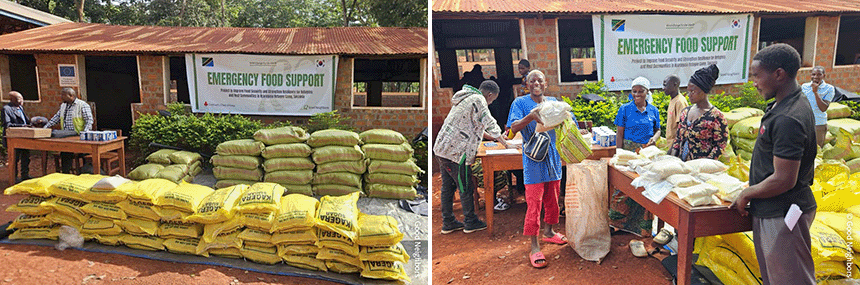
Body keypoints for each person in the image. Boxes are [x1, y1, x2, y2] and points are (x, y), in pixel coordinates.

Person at [729, 44, 817, 285]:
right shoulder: (783, 104)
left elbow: (784, 179)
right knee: (776, 278)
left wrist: (747, 192)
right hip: (774, 209)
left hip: (783, 211)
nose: (754, 82)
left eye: (757, 75)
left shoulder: (789, 117)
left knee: (790, 280)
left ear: (779, 74)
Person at [507, 69, 568, 269]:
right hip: (533, 160)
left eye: (539, 80)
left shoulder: (552, 101)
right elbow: (512, 128)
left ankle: (549, 232)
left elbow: (566, 120)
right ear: (527, 84)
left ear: (545, 83)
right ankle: (534, 246)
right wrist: (531, 117)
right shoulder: (520, 103)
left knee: (553, 198)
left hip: (553, 157)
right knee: (534, 203)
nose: (536, 84)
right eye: (532, 81)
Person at [434, 80, 509, 235]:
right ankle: (470, 221)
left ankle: (448, 222)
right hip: (456, 152)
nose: (490, 103)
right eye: (492, 100)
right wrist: (505, 143)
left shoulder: (466, 99)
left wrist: (496, 138)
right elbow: (488, 121)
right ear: (489, 95)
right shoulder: (478, 100)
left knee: (448, 187)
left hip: (443, 149)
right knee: (465, 187)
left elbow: (478, 126)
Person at [669, 64, 729, 161]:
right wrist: (672, 160)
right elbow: (678, 139)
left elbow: (719, 146)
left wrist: (704, 165)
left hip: (701, 170)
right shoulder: (685, 112)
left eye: (693, 91)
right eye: (688, 91)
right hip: (681, 166)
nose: (689, 95)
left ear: (703, 91)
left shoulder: (716, 117)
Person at [499, 59, 532, 212]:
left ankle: (522, 188)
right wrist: (508, 135)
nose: (520, 70)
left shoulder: (533, 103)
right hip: (521, 146)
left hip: (533, 150)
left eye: (522, 67)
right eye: (519, 68)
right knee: (517, 165)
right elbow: (512, 129)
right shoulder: (518, 104)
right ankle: (521, 188)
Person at [44, 87, 94, 173]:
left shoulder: (82, 105)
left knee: (55, 134)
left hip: (77, 134)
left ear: (71, 95)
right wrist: (45, 127)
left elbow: (89, 120)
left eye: (63, 95)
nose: (61, 97)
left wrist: (85, 133)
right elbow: (56, 118)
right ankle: (66, 174)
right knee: (65, 153)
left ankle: (83, 174)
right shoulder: (63, 105)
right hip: (66, 136)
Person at [615, 77, 661, 151]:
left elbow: (658, 130)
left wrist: (654, 139)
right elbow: (619, 134)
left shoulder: (653, 110)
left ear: (647, 91)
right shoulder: (624, 109)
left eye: (641, 91)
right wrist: (619, 152)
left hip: (647, 150)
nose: (637, 94)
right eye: (634, 91)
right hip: (628, 153)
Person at [800, 66, 834, 146]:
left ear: (824, 76)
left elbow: (823, 108)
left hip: (819, 123)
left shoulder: (829, 88)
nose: (815, 77)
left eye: (819, 74)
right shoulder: (804, 86)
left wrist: (815, 92)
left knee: (817, 149)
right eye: (813, 74)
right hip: (805, 122)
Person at [2, 91, 31, 181]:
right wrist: (22, 126)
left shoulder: (20, 107)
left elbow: (25, 121)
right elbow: (8, 125)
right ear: (11, 100)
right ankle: (14, 177)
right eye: (19, 99)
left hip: (24, 136)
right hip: (14, 138)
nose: (21, 100)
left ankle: (25, 175)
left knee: (26, 156)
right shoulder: (6, 109)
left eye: (22, 98)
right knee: (15, 158)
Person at [663, 75, 688, 147]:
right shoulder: (673, 100)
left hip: (676, 146)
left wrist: (675, 148)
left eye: (665, 85)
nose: (663, 88)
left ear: (675, 84)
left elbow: (682, 128)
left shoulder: (680, 102)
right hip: (670, 145)